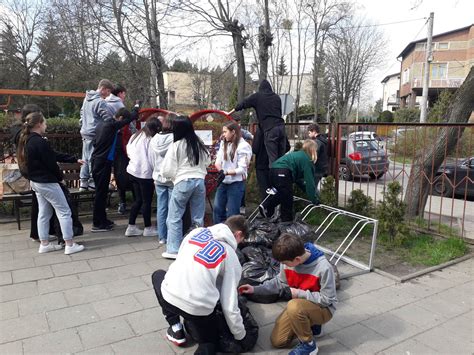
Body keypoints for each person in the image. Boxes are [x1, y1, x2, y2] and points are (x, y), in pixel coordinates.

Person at [151, 215, 252, 354]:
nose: (239, 245)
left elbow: (181, 261)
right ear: (238, 234)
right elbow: (229, 305)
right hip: (198, 308)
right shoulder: (229, 255)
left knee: (157, 275)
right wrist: (240, 335)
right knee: (209, 343)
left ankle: (175, 327)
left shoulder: (196, 232)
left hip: (170, 294)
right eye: (241, 241)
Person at [239, 233, 337, 355]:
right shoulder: (287, 262)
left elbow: (328, 299)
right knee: (278, 341)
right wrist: (255, 289)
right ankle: (311, 324)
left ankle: (309, 345)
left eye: (285, 263)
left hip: (324, 308)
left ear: (297, 259)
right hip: (301, 306)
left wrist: (298, 293)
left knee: (293, 305)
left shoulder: (324, 267)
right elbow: (279, 283)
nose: (284, 265)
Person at [16, 112, 84, 255]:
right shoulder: (39, 141)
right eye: (45, 123)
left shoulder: (27, 140)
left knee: (44, 213)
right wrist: (60, 178)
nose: (46, 126)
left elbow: (51, 155)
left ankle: (44, 244)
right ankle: (69, 244)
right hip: (47, 181)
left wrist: (73, 159)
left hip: (36, 182)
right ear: (39, 124)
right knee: (64, 211)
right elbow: (51, 162)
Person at [160, 116, 210, 259]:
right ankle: (199, 247)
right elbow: (208, 160)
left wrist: (172, 177)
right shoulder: (199, 143)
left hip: (183, 181)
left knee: (174, 217)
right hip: (199, 181)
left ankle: (173, 249)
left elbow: (167, 169)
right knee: (197, 217)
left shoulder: (177, 145)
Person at [91, 107, 139, 232]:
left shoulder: (102, 125)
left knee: (101, 193)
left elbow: (95, 143)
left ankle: (103, 220)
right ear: (121, 118)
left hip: (99, 162)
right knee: (100, 193)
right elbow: (129, 119)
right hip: (101, 163)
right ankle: (97, 224)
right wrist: (135, 109)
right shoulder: (110, 126)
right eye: (124, 121)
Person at [229, 79, 287, 166]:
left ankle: (274, 177)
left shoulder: (258, 96)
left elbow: (243, 103)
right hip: (281, 127)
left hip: (269, 129)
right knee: (282, 157)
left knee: (273, 158)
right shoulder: (276, 97)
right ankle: (283, 176)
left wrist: (230, 112)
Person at [260, 139, 318, 222]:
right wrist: (314, 199)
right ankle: (285, 222)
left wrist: (305, 190)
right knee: (287, 200)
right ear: (313, 150)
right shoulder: (307, 160)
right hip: (283, 172)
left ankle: (268, 209)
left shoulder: (297, 155)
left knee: (283, 194)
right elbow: (310, 182)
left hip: (273, 170)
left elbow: (299, 180)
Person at [125, 116, 161, 237]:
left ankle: (131, 226)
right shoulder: (150, 139)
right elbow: (152, 158)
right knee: (147, 201)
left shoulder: (135, 135)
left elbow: (128, 150)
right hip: (145, 174)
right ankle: (148, 227)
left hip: (132, 171)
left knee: (138, 200)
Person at [213, 121, 252, 224]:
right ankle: (218, 234)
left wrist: (226, 172)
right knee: (217, 210)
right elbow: (218, 160)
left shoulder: (244, 146)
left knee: (232, 214)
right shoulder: (224, 142)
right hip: (224, 182)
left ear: (233, 132)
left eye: (225, 132)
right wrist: (220, 170)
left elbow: (242, 169)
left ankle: (231, 236)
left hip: (236, 183)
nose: (223, 134)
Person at [79, 79, 115, 191]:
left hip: (85, 132)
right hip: (94, 134)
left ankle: (83, 182)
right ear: (103, 89)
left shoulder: (87, 98)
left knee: (85, 158)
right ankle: (91, 182)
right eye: (108, 92)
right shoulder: (100, 101)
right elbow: (106, 118)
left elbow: (81, 114)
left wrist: (83, 124)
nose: (108, 95)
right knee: (92, 158)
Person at [150, 114, 175, 244]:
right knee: (172, 208)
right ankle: (171, 235)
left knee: (161, 207)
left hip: (158, 176)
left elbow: (151, 158)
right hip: (171, 177)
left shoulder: (154, 139)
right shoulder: (175, 139)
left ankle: (161, 236)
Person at [308, 124, 329, 204]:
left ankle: (320, 202)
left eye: (309, 132)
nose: (308, 134)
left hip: (317, 167)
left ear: (314, 131)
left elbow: (314, 157)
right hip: (322, 166)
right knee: (313, 185)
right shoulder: (322, 138)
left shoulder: (317, 142)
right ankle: (317, 202)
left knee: (312, 186)